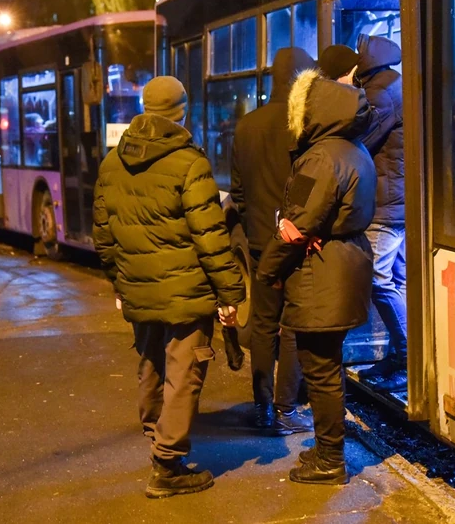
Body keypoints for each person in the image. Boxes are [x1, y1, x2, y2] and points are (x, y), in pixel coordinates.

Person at [93, 76, 246, 499]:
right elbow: (210, 237)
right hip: (186, 292)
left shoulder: (112, 163)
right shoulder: (190, 163)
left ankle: (155, 437)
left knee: (151, 363)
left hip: (138, 286)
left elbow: (103, 234)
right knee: (185, 372)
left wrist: (118, 282)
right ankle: (167, 465)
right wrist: (230, 294)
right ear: (182, 111)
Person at [257, 68, 377, 485]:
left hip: (321, 273)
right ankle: (328, 451)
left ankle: (330, 460)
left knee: (321, 371)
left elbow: (297, 225)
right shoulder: (354, 149)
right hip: (345, 265)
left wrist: (268, 270)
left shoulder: (321, 157)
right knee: (329, 366)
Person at [231, 47, 315, 434]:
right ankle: (286, 409)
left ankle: (262, 407)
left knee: (263, 325)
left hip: (259, 241)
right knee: (293, 324)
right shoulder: (304, 125)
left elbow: (238, 192)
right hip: (295, 241)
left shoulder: (246, 126)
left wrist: (256, 225)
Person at [352, 35, 408, 392]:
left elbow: (360, 140)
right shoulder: (395, 83)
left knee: (377, 280)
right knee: (398, 282)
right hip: (400, 201)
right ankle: (399, 355)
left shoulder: (379, 92)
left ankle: (406, 358)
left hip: (387, 206)